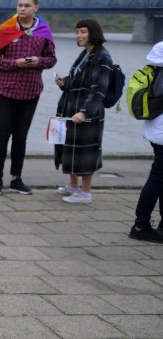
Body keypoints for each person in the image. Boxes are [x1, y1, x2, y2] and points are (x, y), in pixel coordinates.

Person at [0, 0, 57, 195]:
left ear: (36, 7)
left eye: (27, 5)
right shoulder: (6, 30)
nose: (22, 8)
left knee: (21, 137)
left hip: (31, 91)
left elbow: (51, 59)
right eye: (20, 5)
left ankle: (16, 179)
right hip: (6, 90)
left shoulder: (44, 31)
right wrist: (14, 63)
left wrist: (39, 61)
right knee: (2, 134)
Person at [54, 19, 113, 204]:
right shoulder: (85, 54)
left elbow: (98, 89)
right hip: (72, 108)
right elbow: (79, 81)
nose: (78, 36)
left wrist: (84, 112)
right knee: (71, 148)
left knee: (86, 152)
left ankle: (86, 193)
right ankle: (73, 187)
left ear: (93, 33)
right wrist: (65, 83)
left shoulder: (102, 57)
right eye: (77, 32)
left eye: (83, 32)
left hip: (88, 112)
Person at [128, 41, 163, 242]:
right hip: (162, 132)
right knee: (157, 179)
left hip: (154, 131)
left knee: (161, 179)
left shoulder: (153, 67)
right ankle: (140, 226)